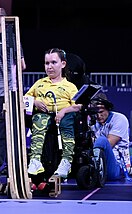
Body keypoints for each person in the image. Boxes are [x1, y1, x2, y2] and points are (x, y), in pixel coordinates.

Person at [25, 48, 82, 178]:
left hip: (63, 118)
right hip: (44, 116)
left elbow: (77, 106)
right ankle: (35, 161)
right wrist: (34, 102)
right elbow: (24, 98)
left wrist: (63, 111)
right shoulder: (39, 83)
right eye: (47, 63)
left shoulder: (70, 86)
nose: (49, 67)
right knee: (39, 118)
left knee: (67, 119)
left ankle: (66, 161)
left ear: (63, 64)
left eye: (53, 62)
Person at [0, 7, 27, 177]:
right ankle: (7, 164)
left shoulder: (10, 38)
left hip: (7, 92)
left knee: (3, 129)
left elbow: (21, 65)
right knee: (1, 128)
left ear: (2, 18)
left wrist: (11, 86)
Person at [91, 92, 131, 180]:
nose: (98, 116)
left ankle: (96, 167)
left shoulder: (119, 119)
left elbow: (109, 144)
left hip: (117, 167)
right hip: (101, 163)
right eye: (95, 113)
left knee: (102, 140)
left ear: (108, 109)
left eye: (101, 112)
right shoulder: (93, 122)